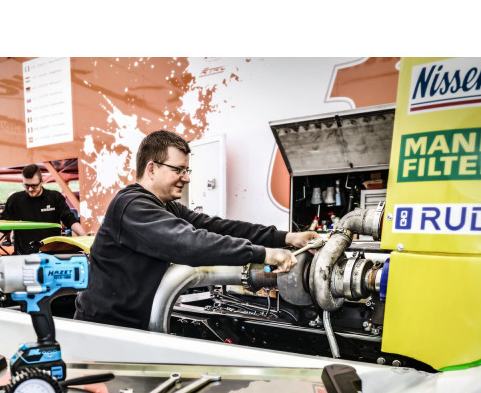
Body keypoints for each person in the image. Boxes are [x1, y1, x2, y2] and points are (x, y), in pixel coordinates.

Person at [74, 130, 317, 330]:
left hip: (132, 326)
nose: (186, 178)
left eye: (186, 171)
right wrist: (264, 254)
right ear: (152, 169)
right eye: (178, 170)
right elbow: (188, 243)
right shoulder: (131, 206)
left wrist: (287, 237)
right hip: (104, 328)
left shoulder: (166, 207)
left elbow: (219, 227)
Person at [0, 164, 87, 254]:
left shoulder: (55, 198)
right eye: (26, 186)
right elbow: (2, 227)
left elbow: (70, 220)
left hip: (52, 253)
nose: (30, 189)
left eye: (34, 186)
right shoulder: (15, 200)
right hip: (25, 254)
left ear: (41, 182)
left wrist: (86, 239)